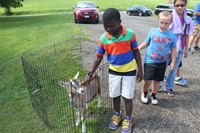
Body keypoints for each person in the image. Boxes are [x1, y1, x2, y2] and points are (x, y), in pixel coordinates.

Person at [81, 8, 143, 133]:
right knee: (115, 95)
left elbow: (136, 51)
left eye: (111, 26)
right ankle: (116, 115)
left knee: (127, 96)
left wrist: (140, 69)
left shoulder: (130, 34)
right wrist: (90, 73)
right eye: (105, 26)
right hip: (114, 72)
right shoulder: (103, 38)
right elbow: (98, 57)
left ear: (119, 22)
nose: (108, 29)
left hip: (129, 71)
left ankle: (128, 119)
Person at [139, 11, 176, 105]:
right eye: (161, 22)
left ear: (171, 23)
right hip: (150, 60)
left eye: (166, 23)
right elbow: (146, 42)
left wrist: (173, 62)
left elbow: (173, 49)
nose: (163, 25)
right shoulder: (153, 31)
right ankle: (144, 92)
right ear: (158, 21)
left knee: (157, 80)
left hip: (162, 62)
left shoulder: (172, 35)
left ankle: (154, 94)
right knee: (147, 80)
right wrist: (138, 48)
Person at [165, 0, 193, 96]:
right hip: (168, 47)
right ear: (174, 6)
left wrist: (186, 49)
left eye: (182, 5)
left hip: (180, 47)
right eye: (177, 5)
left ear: (185, 5)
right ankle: (157, 86)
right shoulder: (170, 17)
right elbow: (164, 32)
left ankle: (169, 87)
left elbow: (186, 35)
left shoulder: (187, 19)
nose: (180, 7)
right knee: (163, 67)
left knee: (174, 68)